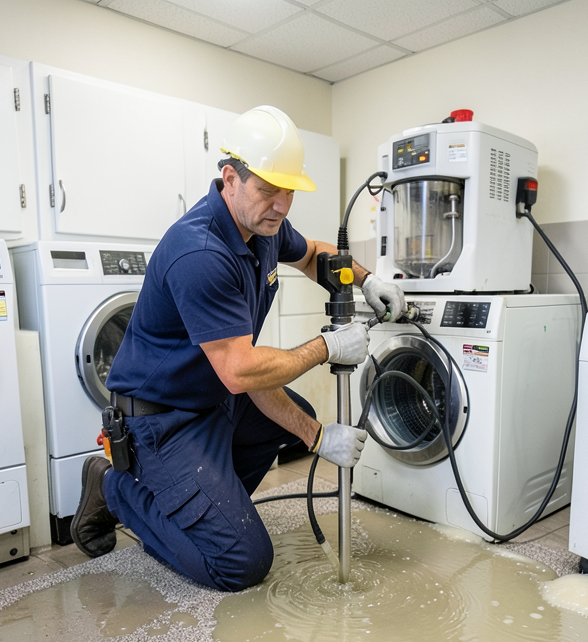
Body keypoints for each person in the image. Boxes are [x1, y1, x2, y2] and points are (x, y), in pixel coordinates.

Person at [70, 105, 407, 591]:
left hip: (214, 397)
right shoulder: (200, 253)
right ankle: (114, 486)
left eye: (288, 191)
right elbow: (240, 371)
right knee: (240, 564)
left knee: (291, 418)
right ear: (231, 178)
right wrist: (327, 349)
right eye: (269, 189)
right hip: (161, 419)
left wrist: (366, 276)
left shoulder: (261, 228)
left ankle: (208, 513)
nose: (282, 204)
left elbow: (313, 254)